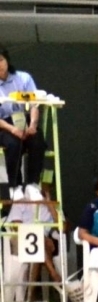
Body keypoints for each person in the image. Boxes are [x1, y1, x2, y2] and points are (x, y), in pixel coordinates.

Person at [0, 45, 47, 202]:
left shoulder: (24, 78)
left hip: (24, 118)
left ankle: (33, 184)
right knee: (13, 143)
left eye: (0, 60)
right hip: (4, 124)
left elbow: (34, 103)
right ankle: (15, 186)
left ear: (7, 60)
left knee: (37, 140)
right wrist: (12, 129)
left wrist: (33, 124)